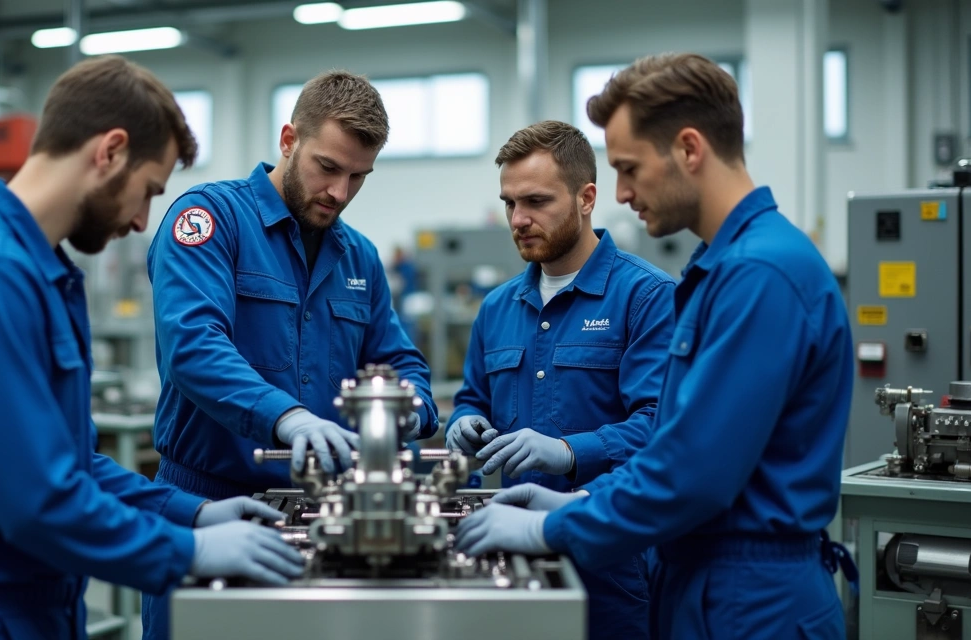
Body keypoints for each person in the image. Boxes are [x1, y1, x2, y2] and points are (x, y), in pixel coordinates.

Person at [0, 56, 304, 640]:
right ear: (110, 151)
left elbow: (68, 464)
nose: (142, 220)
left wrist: (189, 511)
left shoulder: (40, 273)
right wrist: (187, 550)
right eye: (148, 191)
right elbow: (36, 503)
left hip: (34, 608)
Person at [454, 53, 855, 639]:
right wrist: (579, 501)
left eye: (629, 168)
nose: (620, 192)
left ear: (689, 150)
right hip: (704, 581)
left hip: (751, 601)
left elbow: (693, 473)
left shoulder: (758, 274)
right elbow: (676, 448)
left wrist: (553, 527)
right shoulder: (722, 270)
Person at [143, 69, 439, 640]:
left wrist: (412, 409)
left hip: (318, 513)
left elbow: (399, 362)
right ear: (288, 140)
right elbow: (194, 346)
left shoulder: (359, 258)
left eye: (359, 176)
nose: (340, 193)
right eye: (328, 167)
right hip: (208, 500)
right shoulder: (210, 221)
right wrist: (287, 416)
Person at [447, 120, 674, 638]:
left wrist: (571, 452)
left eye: (536, 201)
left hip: (613, 566)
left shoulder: (647, 297)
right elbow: (472, 397)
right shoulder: (498, 307)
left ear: (586, 197)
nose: (518, 219)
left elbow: (662, 427)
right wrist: (465, 420)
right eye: (509, 203)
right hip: (517, 559)